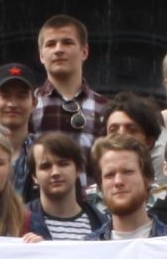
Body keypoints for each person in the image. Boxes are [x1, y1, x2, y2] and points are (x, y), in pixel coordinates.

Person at [31, 15, 112, 156]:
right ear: (41, 56)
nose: (58, 50)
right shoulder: (29, 104)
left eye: (67, 43)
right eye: (51, 44)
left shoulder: (105, 108)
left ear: (84, 52)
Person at [24, 133, 105, 240]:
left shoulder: (103, 224)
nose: (55, 172)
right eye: (46, 166)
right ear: (34, 176)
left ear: (78, 169)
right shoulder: (19, 222)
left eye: (63, 164)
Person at [0, 63, 42, 201]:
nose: (12, 104)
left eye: (21, 96)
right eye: (5, 96)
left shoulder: (46, 154)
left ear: (34, 103)